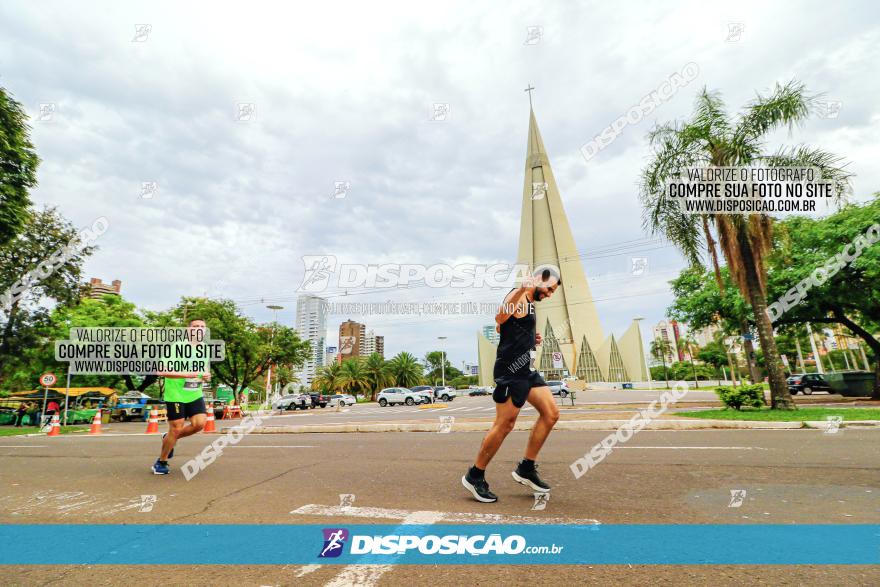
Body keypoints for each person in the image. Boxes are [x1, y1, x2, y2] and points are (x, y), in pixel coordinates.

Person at [462, 267, 562, 503]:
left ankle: (526, 468)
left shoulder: (529, 302)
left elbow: (502, 328)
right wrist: (520, 289)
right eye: (549, 289)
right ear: (538, 280)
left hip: (527, 370)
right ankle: (475, 475)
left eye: (553, 291)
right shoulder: (517, 295)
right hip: (510, 371)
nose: (549, 294)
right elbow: (499, 318)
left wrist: (531, 337)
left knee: (551, 414)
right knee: (505, 424)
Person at [151, 318, 211, 475]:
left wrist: (206, 376)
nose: (198, 329)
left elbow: (202, 370)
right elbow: (162, 371)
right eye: (195, 326)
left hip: (194, 393)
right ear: (188, 330)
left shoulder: (205, 349)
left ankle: (169, 438)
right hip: (176, 394)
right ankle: (161, 461)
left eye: (202, 327)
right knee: (176, 427)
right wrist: (189, 373)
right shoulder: (177, 347)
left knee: (199, 424)